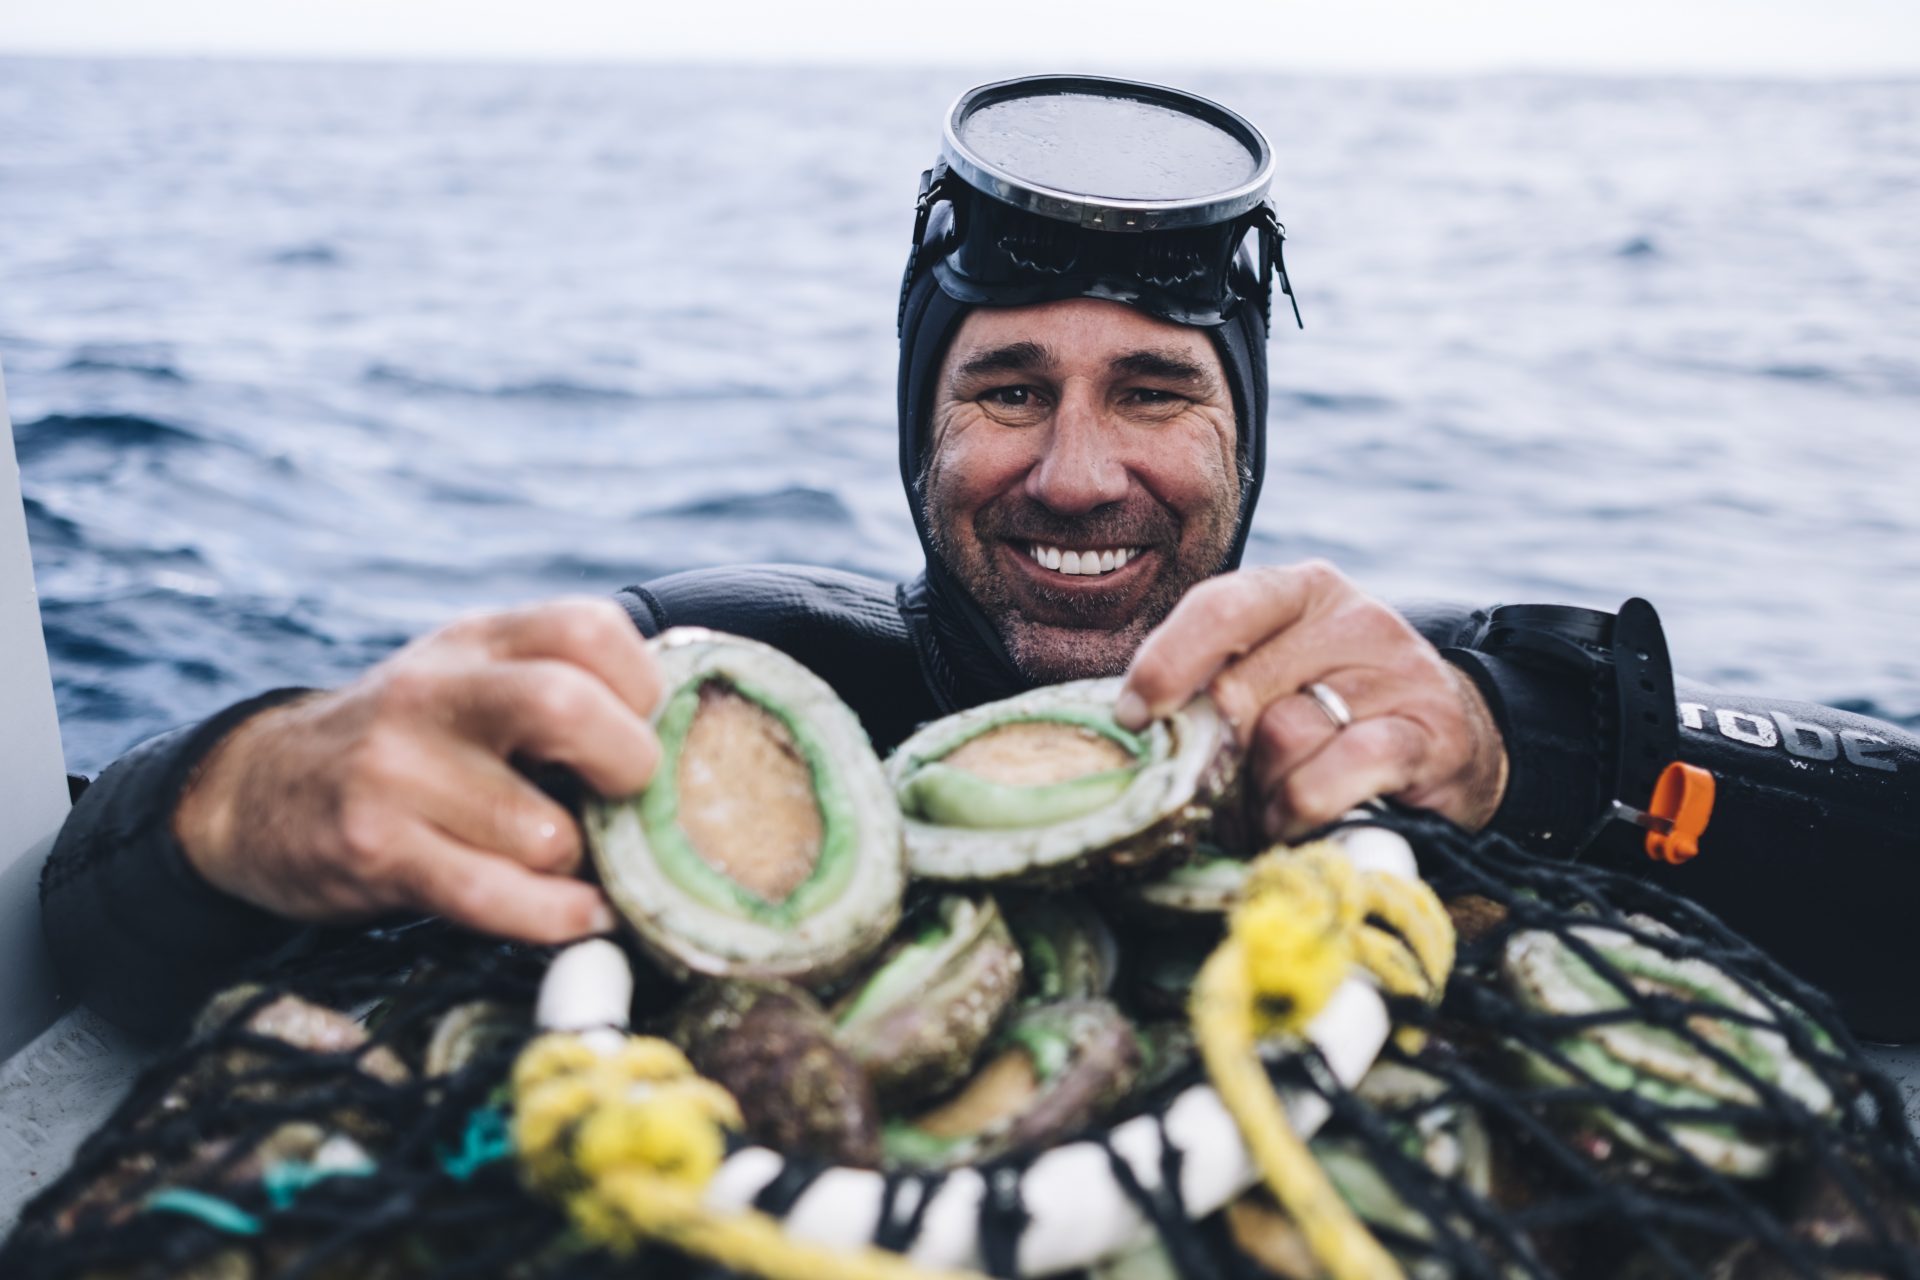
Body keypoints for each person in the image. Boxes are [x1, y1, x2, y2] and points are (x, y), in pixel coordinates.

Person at [40, 76, 1920, 1043]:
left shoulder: (1393, 736)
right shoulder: (725, 701)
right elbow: (101, 919)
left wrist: (1547, 749)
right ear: (918, 430)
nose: (1080, 472)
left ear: (1244, 439)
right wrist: (247, 789)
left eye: (1158, 393)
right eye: (1007, 386)